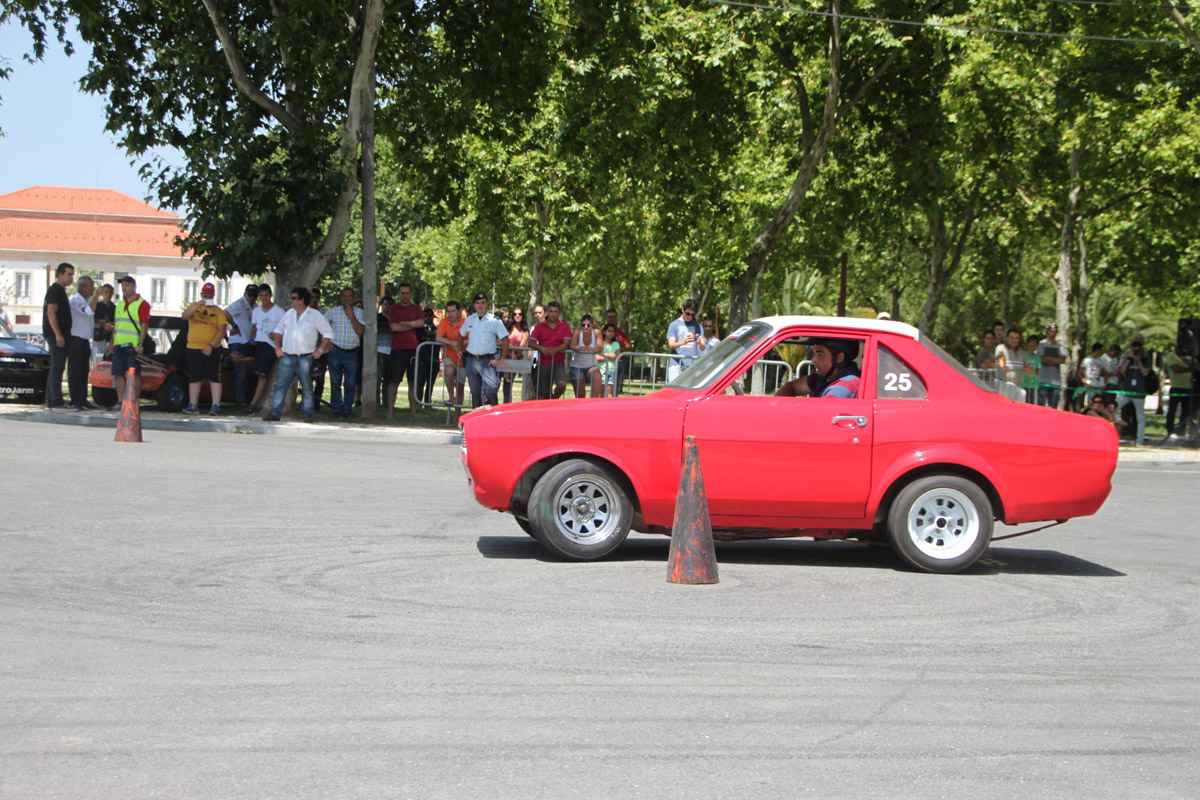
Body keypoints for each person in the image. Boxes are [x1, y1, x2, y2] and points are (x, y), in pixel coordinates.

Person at [262, 287, 332, 423]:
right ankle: (275, 412)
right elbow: (278, 330)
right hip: (287, 356)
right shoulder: (289, 314)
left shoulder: (315, 315)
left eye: (293, 298)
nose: (290, 300)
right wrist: (278, 348)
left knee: (307, 387)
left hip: (305, 357)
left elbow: (328, 333)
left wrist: (320, 350)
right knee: (280, 386)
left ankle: (307, 414)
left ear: (302, 300)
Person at [180, 281, 229, 415]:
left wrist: (211, 346)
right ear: (201, 295)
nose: (207, 298)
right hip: (193, 347)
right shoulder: (194, 306)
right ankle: (193, 404)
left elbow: (222, 330)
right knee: (194, 376)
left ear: (214, 296)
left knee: (214, 376)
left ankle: (216, 405)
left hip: (213, 348)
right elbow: (184, 316)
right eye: (205, 295)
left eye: (209, 295)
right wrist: (197, 306)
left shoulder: (218, 311)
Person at [459, 292, 511, 408]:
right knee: (475, 391)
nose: (480, 305)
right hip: (471, 359)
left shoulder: (494, 320)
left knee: (491, 389)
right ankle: (477, 415)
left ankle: (493, 415)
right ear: (474, 305)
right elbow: (461, 334)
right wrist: (459, 349)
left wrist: (501, 359)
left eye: (482, 303)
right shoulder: (470, 319)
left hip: (487, 360)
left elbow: (505, 339)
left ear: (487, 304)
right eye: (477, 303)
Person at [323, 287, 365, 418]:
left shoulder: (359, 312)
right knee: (335, 382)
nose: (347, 299)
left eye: (350, 296)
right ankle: (336, 408)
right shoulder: (333, 311)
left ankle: (347, 409)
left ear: (354, 298)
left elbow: (360, 331)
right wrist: (325, 341)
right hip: (335, 351)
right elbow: (320, 325)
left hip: (352, 353)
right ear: (341, 298)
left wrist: (351, 316)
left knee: (350, 383)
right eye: (345, 296)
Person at [110, 274, 151, 406]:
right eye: (122, 285)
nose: (124, 288)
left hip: (133, 346)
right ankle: (121, 401)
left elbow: (144, 325)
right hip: (119, 345)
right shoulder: (120, 305)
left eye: (127, 285)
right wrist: (112, 343)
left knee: (134, 374)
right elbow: (117, 325)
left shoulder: (142, 304)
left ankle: (133, 401)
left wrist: (140, 344)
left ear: (134, 286)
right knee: (118, 374)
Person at [386, 283, 424, 421]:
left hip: (414, 349)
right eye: (402, 293)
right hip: (398, 349)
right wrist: (412, 325)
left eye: (407, 293)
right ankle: (390, 413)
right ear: (399, 294)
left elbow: (421, 323)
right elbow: (394, 327)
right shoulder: (394, 309)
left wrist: (404, 323)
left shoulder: (416, 308)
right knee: (394, 382)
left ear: (411, 294)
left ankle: (413, 413)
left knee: (412, 382)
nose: (405, 296)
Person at [775, 339, 861, 398]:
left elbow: (819, 416)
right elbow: (792, 386)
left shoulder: (843, 388)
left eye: (820, 355)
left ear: (839, 358)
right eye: (814, 354)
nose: (813, 360)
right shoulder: (826, 377)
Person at [245, 284, 284, 414]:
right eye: (261, 295)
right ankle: (246, 398)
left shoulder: (279, 311)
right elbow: (254, 328)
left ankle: (253, 404)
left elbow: (285, 330)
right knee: (239, 358)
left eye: (266, 295)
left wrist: (276, 337)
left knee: (262, 375)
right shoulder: (256, 311)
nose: (264, 298)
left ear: (271, 295)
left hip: (269, 345)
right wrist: (251, 339)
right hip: (258, 343)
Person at [41, 262, 75, 409]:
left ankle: (51, 399)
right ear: (60, 274)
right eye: (69, 274)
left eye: (72, 275)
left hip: (62, 334)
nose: (71, 278)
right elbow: (51, 312)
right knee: (57, 367)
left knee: (57, 367)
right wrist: (58, 334)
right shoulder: (55, 290)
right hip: (57, 335)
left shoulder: (60, 291)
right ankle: (55, 400)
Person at [224, 284, 258, 409]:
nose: (252, 298)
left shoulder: (256, 307)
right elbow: (225, 312)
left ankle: (248, 398)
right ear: (245, 294)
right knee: (240, 371)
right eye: (250, 295)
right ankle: (240, 401)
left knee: (251, 370)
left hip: (248, 342)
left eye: (255, 296)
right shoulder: (239, 303)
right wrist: (234, 326)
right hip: (238, 342)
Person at [66, 275, 98, 409]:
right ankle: (75, 400)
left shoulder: (87, 301)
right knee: (75, 372)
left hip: (85, 341)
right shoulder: (76, 301)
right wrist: (97, 296)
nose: (93, 289)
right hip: (75, 341)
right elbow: (88, 311)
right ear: (82, 287)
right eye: (91, 286)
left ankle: (82, 399)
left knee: (84, 372)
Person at [529, 301, 571, 399]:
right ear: (547, 312)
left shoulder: (565, 326)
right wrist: (541, 348)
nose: (553, 314)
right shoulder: (539, 327)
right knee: (543, 393)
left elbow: (566, 343)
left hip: (558, 362)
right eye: (551, 311)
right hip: (543, 362)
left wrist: (556, 349)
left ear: (559, 313)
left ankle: (553, 399)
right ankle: (546, 404)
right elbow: (531, 342)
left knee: (562, 384)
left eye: (555, 311)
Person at [1116, 332, 1152, 446]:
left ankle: (1139, 440)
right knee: (1113, 408)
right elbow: (1121, 371)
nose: (1136, 347)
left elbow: (1145, 372)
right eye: (1134, 344)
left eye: (1139, 343)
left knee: (1140, 417)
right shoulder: (1127, 355)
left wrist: (1138, 360)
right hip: (1126, 390)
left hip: (1139, 391)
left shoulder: (1146, 356)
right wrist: (1129, 359)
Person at [436, 300, 466, 415]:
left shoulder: (465, 323)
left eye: (453, 311)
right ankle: (451, 397)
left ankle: (457, 414)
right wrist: (451, 343)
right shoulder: (444, 322)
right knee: (448, 370)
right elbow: (438, 338)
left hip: (463, 358)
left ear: (459, 312)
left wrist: (459, 343)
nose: (451, 314)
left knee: (460, 387)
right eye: (448, 311)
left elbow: (471, 339)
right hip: (449, 356)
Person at [666, 299, 707, 382]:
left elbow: (703, 347)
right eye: (687, 314)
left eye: (692, 315)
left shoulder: (698, 326)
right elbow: (671, 345)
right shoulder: (674, 325)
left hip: (691, 365)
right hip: (676, 364)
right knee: (674, 389)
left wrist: (699, 342)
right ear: (682, 309)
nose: (689, 317)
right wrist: (683, 342)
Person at [1164, 344, 1196, 440]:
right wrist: (1189, 369)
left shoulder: (1189, 356)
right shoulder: (1171, 355)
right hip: (1176, 387)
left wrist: (1185, 360)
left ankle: (1181, 431)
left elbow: (1196, 367)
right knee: (1172, 410)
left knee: (1185, 411)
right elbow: (1175, 368)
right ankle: (1170, 430)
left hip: (1188, 388)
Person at [569, 313, 603, 398]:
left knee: (597, 376)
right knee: (580, 394)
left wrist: (592, 349)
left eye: (589, 325)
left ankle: (593, 402)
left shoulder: (597, 332)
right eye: (583, 325)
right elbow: (572, 346)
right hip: (577, 366)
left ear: (592, 325)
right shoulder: (577, 332)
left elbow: (600, 347)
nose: (586, 327)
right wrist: (580, 348)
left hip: (592, 366)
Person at [1035, 322, 1066, 408]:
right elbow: (1042, 359)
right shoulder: (1042, 344)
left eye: (1055, 331)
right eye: (1051, 331)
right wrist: (1055, 360)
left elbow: (1062, 360)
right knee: (1041, 404)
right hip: (1043, 380)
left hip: (1056, 381)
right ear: (1047, 331)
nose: (1053, 333)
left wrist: (1049, 358)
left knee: (1054, 404)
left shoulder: (1060, 346)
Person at [415, 307, 440, 406]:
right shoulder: (420, 328)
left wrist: (430, 336)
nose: (427, 317)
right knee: (420, 382)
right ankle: (418, 403)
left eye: (429, 315)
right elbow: (420, 338)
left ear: (433, 316)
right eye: (425, 315)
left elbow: (439, 337)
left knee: (431, 383)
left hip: (434, 359)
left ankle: (428, 403)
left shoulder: (438, 328)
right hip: (422, 359)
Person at [503, 307, 529, 403]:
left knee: (507, 387)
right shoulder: (507, 327)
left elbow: (520, 350)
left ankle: (506, 406)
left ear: (523, 316)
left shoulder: (525, 332)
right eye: (515, 314)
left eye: (520, 314)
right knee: (494, 385)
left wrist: (507, 345)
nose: (517, 316)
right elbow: (499, 340)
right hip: (500, 358)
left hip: (513, 361)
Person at [605, 308, 632, 395]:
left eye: (614, 317)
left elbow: (628, 346)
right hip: (604, 363)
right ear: (606, 318)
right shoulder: (602, 332)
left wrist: (618, 349)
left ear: (616, 318)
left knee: (615, 390)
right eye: (610, 317)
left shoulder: (620, 332)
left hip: (618, 363)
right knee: (603, 390)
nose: (612, 319)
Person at [522, 304, 546, 401]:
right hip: (535, 362)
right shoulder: (533, 328)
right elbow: (530, 348)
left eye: (540, 313)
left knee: (545, 389)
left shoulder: (550, 327)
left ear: (545, 313)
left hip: (546, 361)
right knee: (537, 388)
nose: (537, 315)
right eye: (535, 313)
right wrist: (529, 364)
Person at [375, 296, 393, 407]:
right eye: (386, 304)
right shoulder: (376, 318)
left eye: (390, 304)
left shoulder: (395, 319)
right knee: (377, 378)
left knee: (388, 379)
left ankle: (386, 403)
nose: (388, 306)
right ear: (382, 305)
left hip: (392, 351)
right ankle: (376, 402)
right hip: (379, 351)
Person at [92, 283, 116, 364]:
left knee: (109, 363)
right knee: (97, 363)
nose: (108, 295)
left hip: (110, 339)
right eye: (106, 292)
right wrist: (103, 324)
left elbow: (116, 323)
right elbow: (93, 321)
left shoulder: (115, 308)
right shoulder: (97, 306)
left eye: (110, 292)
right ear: (102, 293)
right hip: (98, 339)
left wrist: (110, 324)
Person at [597, 322, 622, 397]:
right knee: (599, 393)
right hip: (601, 371)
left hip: (612, 371)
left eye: (613, 331)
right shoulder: (600, 344)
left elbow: (618, 356)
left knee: (609, 394)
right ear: (604, 332)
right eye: (609, 331)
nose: (611, 333)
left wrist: (604, 354)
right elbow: (597, 357)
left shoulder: (616, 344)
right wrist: (611, 357)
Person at [1079, 342, 1106, 406]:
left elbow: (1104, 373)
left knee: (1099, 401)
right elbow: (1080, 372)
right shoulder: (1086, 360)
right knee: (1091, 401)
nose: (1101, 352)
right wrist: (1085, 382)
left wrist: (1104, 383)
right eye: (1100, 350)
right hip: (1090, 384)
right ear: (1097, 350)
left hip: (1098, 384)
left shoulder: (1101, 360)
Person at [1022, 334, 1041, 404]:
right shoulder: (1022, 354)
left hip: (1032, 385)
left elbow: (1037, 371)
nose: (1033, 344)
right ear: (1028, 343)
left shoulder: (1037, 358)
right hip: (1022, 383)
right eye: (1031, 342)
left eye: (1035, 343)